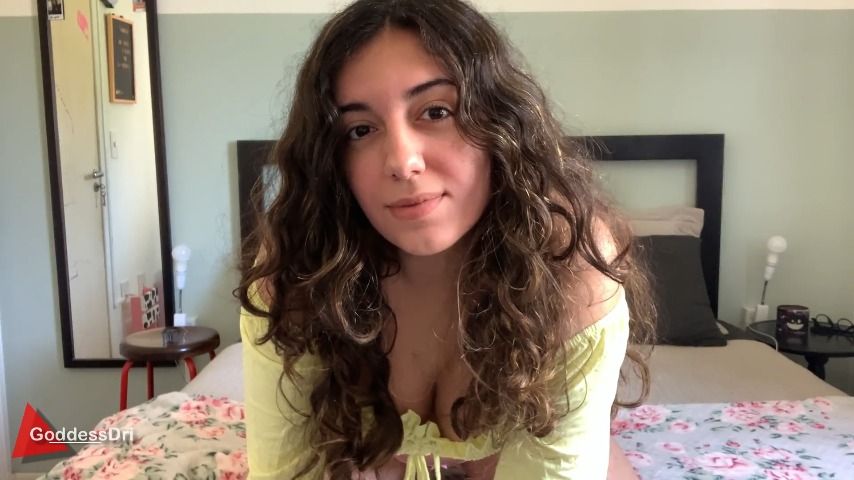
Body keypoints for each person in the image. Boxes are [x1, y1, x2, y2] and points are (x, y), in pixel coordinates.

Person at [237, 1, 655, 478]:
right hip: (367, 452)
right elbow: (285, 469)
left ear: (499, 124)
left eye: (436, 111)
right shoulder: (295, 267)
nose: (402, 161)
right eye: (360, 129)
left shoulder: (571, 264)